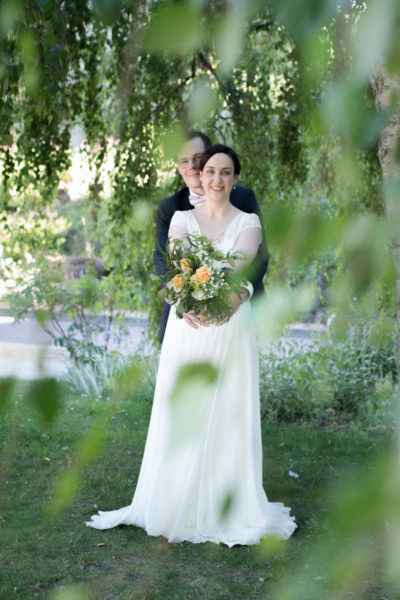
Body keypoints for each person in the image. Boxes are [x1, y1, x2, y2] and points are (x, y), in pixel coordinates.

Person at [86, 145, 297, 545]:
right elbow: (181, 266)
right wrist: (185, 302)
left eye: (226, 173)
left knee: (228, 410)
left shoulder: (249, 220)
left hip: (231, 326)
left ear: (235, 180)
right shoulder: (181, 219)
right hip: (191, 327)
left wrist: (232, 297)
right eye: (210, 171)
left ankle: (228, 504)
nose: (217, 179)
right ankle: (175, 499)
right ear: (200, 177)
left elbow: (241, 267)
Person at [154, 131, 269, 343]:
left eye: (197, 159)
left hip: (236, 315)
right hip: (187, 318)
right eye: (183, 160)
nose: (191, 166)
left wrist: (239, 295)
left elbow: (260, 256)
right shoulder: (170, 208)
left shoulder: (243, 198)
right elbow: (162, 261)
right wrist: (180, 298)